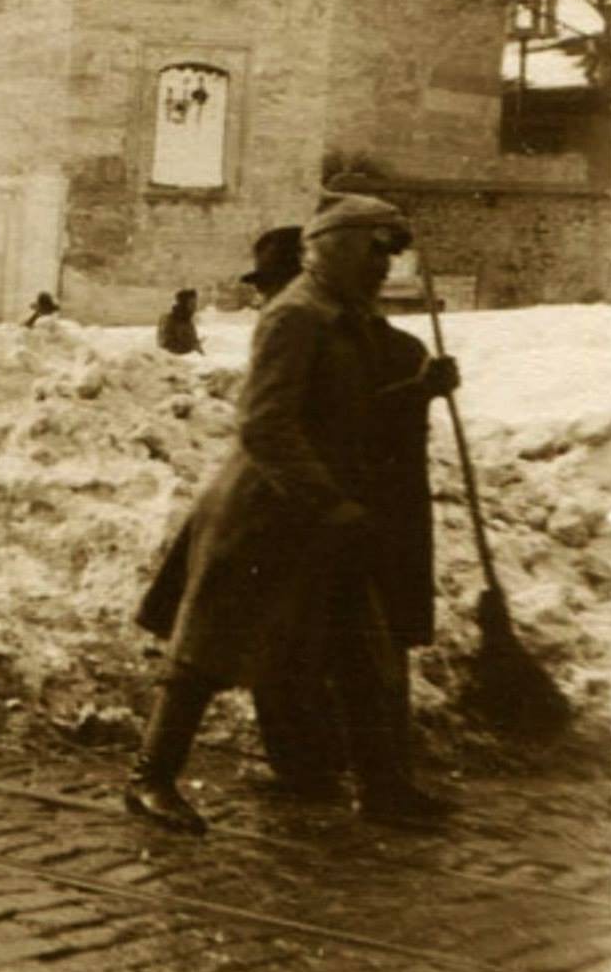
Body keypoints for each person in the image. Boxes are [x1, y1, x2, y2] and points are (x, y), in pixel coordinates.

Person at [125, 194, 457, 835]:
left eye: (387, 258)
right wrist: (328, 501)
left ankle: (383, 785)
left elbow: (343, 410)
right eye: (374, 254)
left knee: (361, 646)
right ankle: (151, 778)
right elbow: (265, 424)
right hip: (265, 512)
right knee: (206, 651)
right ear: (335, 248)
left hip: (324, 515)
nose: (383, 270)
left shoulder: (344, 317)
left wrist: (417, 390)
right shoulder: (295, 317)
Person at [156, 288, 204, 355]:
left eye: (195, 304)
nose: (195, 308)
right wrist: (191, 347)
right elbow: (164, 347)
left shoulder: (188, 321)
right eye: (192, 304)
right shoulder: (168, 320)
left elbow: (193, 343)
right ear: (183, 305)